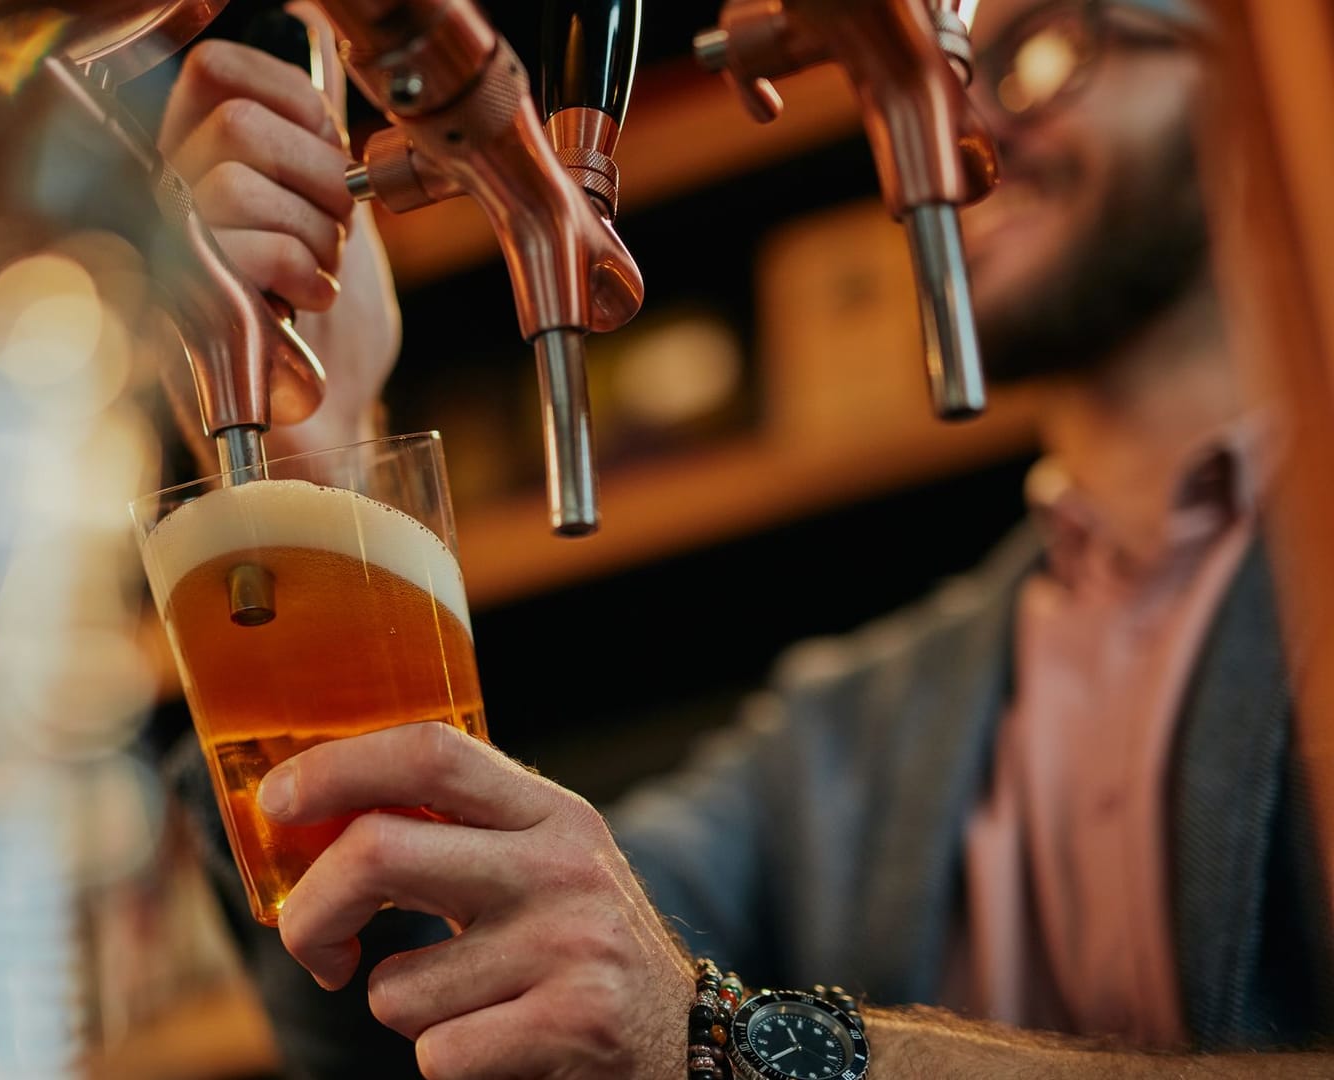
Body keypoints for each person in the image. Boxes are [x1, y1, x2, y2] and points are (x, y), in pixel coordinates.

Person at [156, 0, 1334, 1075]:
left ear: (1262, 70)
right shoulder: (859, 729)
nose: (967, 125)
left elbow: (678, 1027)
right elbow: (448, 998)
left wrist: (727, 1042)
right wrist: (316, 465)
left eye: (1045, 52)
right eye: (943, 66)